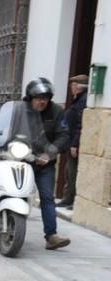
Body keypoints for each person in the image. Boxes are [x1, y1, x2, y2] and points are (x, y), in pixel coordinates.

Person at [0, 77, 71, 250]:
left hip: (42, 163)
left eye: (46, 98)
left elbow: (64, 135)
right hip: (15, 158)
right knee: (0, 187)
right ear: (30, 97)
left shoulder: (56, 111)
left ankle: (51, 236)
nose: (42, 101)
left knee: (47, 197)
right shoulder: (18, 110)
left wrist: (49, 153)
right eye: (38, 98)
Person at [57, 74, 88, 210]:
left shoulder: (83, 101)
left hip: (74, 143)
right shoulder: (78, 100)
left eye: (73, 85)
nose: (71, 88)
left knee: (72, 172)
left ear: (78, 87)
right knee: (69, 172)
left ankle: (71, 200)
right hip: (69, 141)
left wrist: (75, 144)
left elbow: (80, 125)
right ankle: (67, 198)